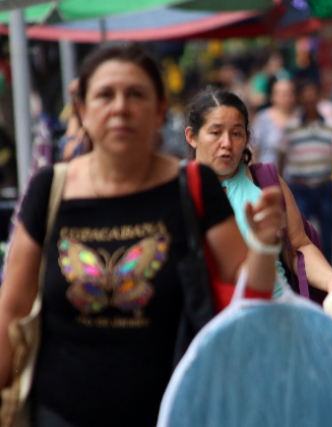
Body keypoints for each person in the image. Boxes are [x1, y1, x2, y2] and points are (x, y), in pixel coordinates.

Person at [0, 43, 283, 427]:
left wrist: (265, 247)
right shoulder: (50, 189)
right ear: (83, 110)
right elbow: (11, 313)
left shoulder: (192, 186)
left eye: (136, 94)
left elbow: (248, 294)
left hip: (176, 412)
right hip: (60, 413)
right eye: (105, 95)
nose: (120, 107)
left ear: (159, 111)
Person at [184, 88, 332, 297]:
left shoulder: (267, 183)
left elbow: (300, 246)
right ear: (192, 136)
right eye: (215, 132)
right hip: (213, 324)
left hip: (278, 316)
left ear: (247, 137)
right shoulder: (177, 192)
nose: (227, 143)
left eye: (236, 133)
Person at [278, 80, 332, 266]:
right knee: (299, 236)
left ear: (319, 98)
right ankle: (306, 275)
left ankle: (328, 275)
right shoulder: (291, 127)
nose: (309, 100)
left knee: (327, 237)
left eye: (313, 96)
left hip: (325, 188)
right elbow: (281, 157)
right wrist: (278, 185)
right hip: (299, 189)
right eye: (306, 96)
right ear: (300, 100)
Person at [250, 78, 300, 166]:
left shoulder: (300, 117)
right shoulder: (262, 118)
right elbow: (253, 150)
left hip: (297, 177)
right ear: (272, 97)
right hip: (267, 176)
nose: (286, 98)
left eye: (290, 94)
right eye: (282, 94)